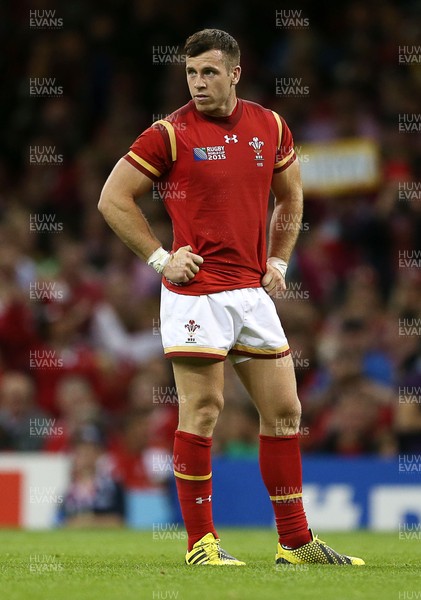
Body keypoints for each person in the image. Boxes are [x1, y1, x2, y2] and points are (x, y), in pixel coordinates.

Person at [98, 28, 364, 567]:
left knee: (286, 412)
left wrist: (280, 260)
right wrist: (159, 258)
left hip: (251, 293)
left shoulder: (270, 126)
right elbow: (112, 198)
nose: (198, 83)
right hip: (195, 296)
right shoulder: (169, 133)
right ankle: (201, 544)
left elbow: (290, 197)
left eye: (210, 72)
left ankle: (295, 543)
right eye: (191, 73)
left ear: (235, 73)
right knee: (203, 410)